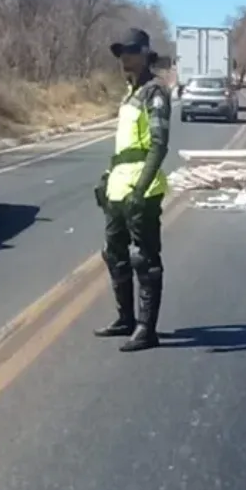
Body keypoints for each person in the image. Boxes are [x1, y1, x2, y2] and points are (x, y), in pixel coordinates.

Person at [93, 27, 171, 352]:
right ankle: (124, 318)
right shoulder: (129, 94)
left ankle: (145, 328)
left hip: (142, 189)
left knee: (145, 259)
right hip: (118, 189)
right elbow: (125, 146)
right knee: (114, 254)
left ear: (144, 53)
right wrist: (107, 177)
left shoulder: (155, 92)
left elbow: (158, 145)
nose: (124, 58)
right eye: (120, 53)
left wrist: (141, 189)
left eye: (129, 52)